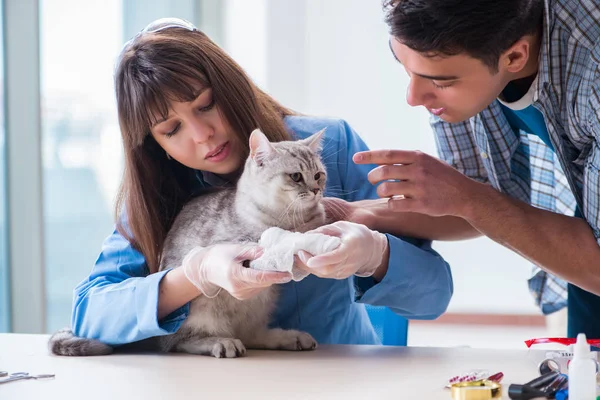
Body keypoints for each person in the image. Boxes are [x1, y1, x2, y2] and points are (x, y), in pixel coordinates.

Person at [71, 18, 453, 347]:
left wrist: (376, 255)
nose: (203, 134)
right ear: (157, 146)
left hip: (337, 375)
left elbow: (434, 296)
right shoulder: (157, 192)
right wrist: (194, 274)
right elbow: (91, 313)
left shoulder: (327, 147)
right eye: (172, 129)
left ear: (232, 86)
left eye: (206, 105)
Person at [345, 0, 600, 337]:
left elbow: (472, 199)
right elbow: (470, 192)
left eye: (440, 83)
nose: (413, 96)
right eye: (405, 67)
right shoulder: (463, 44)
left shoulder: (593, 73)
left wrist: (468, 198)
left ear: (514, 57)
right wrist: (352, 214)